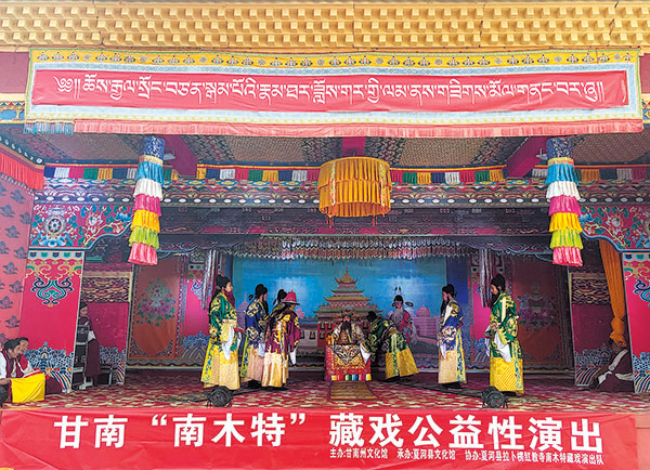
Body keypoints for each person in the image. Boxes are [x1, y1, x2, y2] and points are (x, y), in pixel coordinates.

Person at [485, 274, 523, 396]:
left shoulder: (504, 300)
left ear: (499, 287)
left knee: (505, 360)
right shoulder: (500, 300)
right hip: (498, 335)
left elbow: (509, 320)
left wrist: (499, 331)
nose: (492, 291)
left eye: (493, 288)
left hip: (504, 337)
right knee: (499, 361)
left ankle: (508, 388)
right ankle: (500, 387)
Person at [201, 274, 241, 391]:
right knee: (223, 356)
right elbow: (214, 317)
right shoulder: (218, 300)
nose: (231, 288)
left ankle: (228, 382)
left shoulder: (226, 299)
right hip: (223, 334)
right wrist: (218, 332)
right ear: (223, 288)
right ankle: (223, 382)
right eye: (229, 286)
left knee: (228, 356)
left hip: (230, 332)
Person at [361, 310, 418, 381]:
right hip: (400, 336)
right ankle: (406, 372)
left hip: (393, 337)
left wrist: (366, 344)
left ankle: (393, 375)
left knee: (392, 354)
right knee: (402, 353)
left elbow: (375, 337)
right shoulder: (383, 320)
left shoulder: (377, 323)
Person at [261, 290, 301, 390]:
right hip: (281, 339)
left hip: (271, 339)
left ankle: (268, 382)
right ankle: (278, 383)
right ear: (292, 305)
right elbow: (295, 331)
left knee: (271, 358)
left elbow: (268, 322)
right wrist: (293, 343)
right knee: (280, 358)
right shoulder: (291, 315)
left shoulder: (276, 311)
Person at [240, 284, 269, 389]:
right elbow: (250, 321)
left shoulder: (260, 304)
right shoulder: (254, 305)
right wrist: (255, 335)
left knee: (259, 359)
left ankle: (257, 379)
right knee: (254, 358)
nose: (266, 296)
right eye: (266, 295)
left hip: (261, 336)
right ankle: (252, 380)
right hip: (255, 337)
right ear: (262, 295)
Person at [438, 284, 466, 389]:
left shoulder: (452, 306)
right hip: (451, 334)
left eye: (443, 295)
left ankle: (452, 380)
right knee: (449, 356)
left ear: (448, 294)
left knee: (451, 356)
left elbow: (449, 323)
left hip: (450, 335)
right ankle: (449, 380)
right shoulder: (452, 305)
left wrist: (443, 336)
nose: (442, 297)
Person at [0, 339, 46, 403]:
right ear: (10, 350)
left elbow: (18, 375)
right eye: (17, 349)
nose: (18, 352)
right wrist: (13, 380)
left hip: (7, 383)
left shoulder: (14, 360)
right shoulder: (1, 357)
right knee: (2, 392)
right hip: (2, 384)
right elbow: (1, 380)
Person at [77, 301, 102, 386]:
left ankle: (92, 376)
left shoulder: (87, 319)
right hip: (76, 342)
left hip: (88, 341)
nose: (85, 313)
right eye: (83, 311)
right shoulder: (74, 319)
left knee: (94, 345)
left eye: (86, 310)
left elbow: (90, 333)